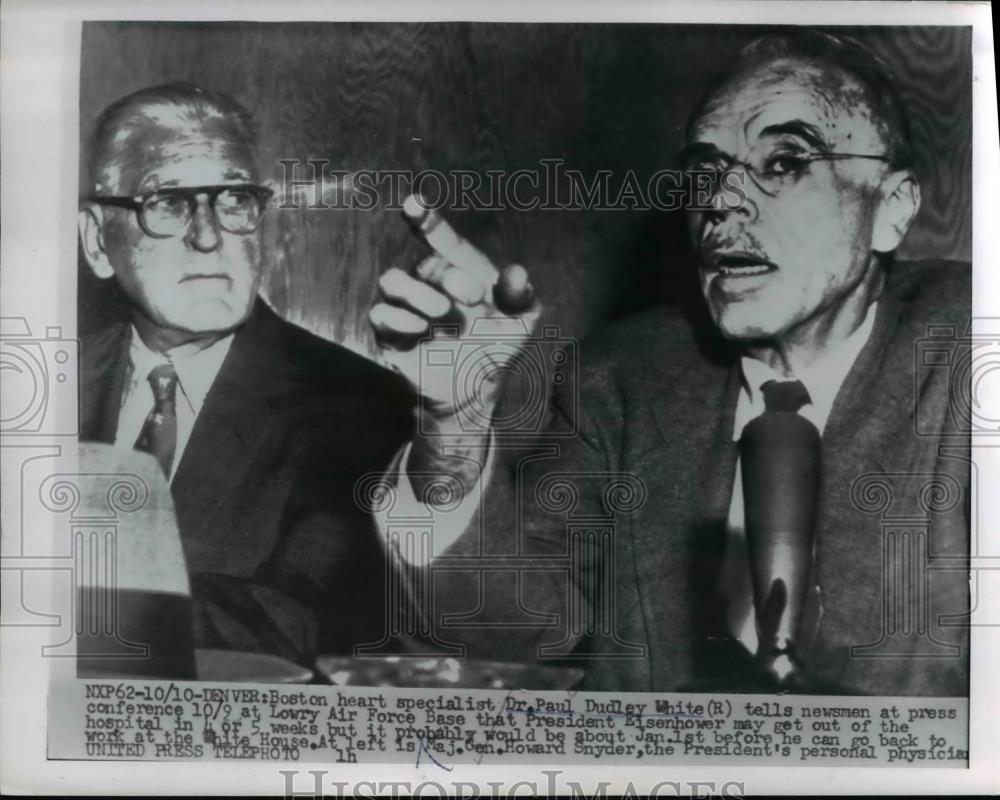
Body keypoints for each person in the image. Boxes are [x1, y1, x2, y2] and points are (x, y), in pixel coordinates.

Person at [376, 30, 970, 695]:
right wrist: (450, 428)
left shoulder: (970, 345)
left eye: (782, 162)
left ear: (891, 209)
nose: (721, 204)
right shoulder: (623, 379)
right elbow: (508, 635)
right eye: (705, 173)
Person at [78, 83, 419, 666]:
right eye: (166, 202)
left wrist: (51, 606)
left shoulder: (360, 406)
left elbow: (307, 622)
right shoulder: (44, 385)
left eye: (234, 199)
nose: (208, 236)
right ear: (97, 243)